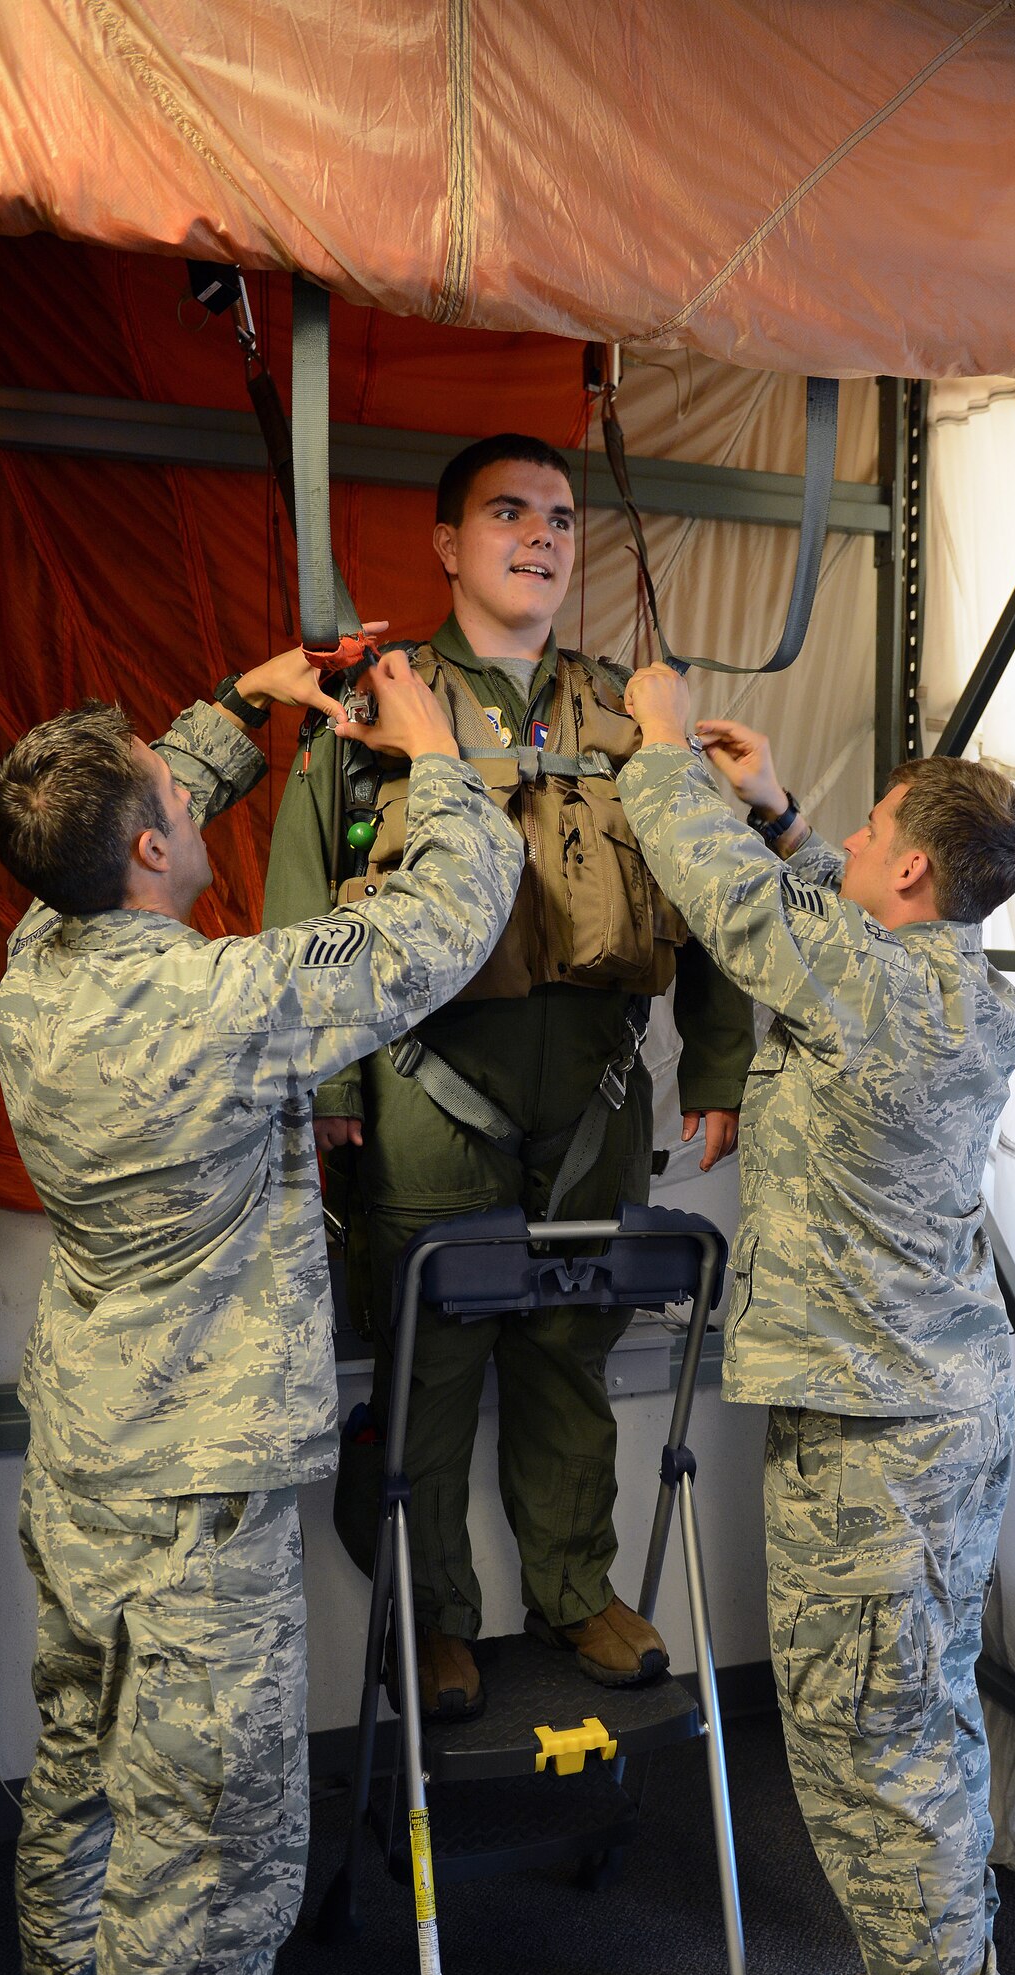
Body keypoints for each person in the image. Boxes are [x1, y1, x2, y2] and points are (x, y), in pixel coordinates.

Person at [0, 645, 521, 1975]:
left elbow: (128, 815)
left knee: (82, 1782)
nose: (192, 791)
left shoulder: (37, 956)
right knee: (212, 1863)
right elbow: (439, 926)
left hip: (86, 1466)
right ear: (156, 846)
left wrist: (240, 705)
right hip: (194, 1508)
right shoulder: (214, 1006)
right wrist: (435, 760)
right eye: (178, 790)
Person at [261, 433, 755, 1716]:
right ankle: (432, 1617)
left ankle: (576, 1590)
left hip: (595, 1087)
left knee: (567, 1351)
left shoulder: (633, 714)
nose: (540, 536)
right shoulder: (380, 702)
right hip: (427, 1088)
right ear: (446, 543)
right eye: (507, 513)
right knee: (427, 1367)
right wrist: (325, 1094)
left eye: (558, 517)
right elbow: (307, 888)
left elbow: (705, 880)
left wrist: (715, 1059)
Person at [617, 663, 1015, 1975]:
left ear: (911, 873)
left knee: (872, 1746)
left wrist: (661, 737)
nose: (846, 840)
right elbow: (816, 925)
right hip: (925, 1423)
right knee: (923, 1726)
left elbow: (725, 896)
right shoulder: (968, 989)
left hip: (873, 1449)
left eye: (869, 830)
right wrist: (788, 815)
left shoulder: (870, 984)